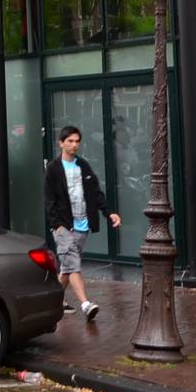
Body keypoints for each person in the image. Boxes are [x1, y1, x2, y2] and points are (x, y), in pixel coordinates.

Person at [43, 126, 121, 321]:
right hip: (63, 225)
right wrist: (56, 225)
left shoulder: (83, 166)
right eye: (70, 141)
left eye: (77, 141)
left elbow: (95, 193)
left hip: (82, 225)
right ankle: (86, 304)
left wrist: (109, 213)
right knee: (74, 263)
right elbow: (49, 199)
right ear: (61, 143)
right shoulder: (53, 168)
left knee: (68, 267)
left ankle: (52, 300)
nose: (74, 145)